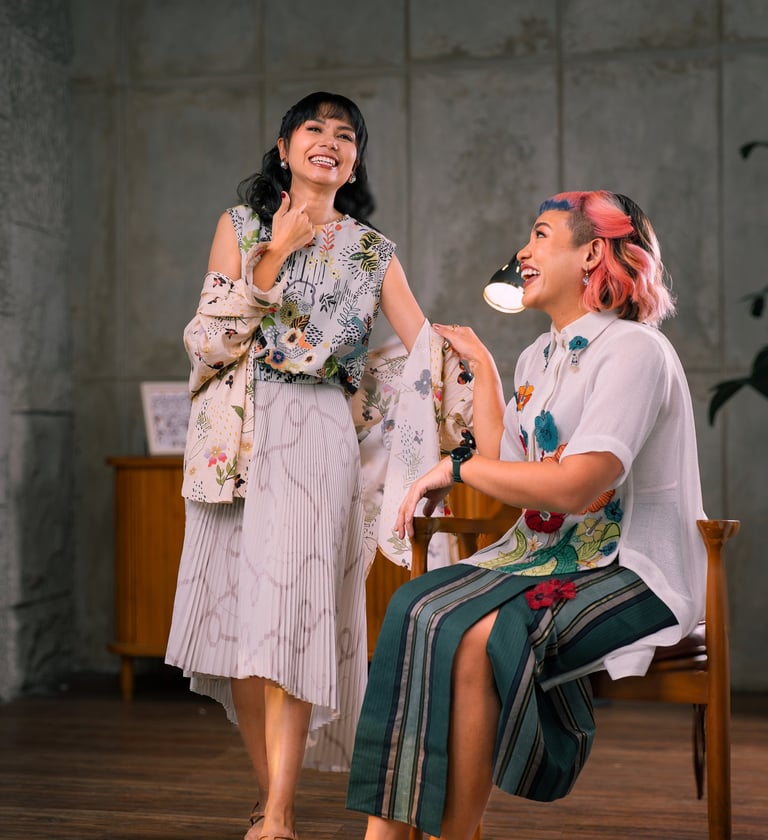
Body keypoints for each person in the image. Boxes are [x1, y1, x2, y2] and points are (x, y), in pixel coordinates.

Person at [346, 191, 707, 840]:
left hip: (633, 570)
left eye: (541, 235)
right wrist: (485, 372)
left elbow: (573, 488)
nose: (523, 251)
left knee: (477, 635)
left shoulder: (635, 351)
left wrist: (456, 468)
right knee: (414, 606)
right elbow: (509, 466)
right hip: (544, 557)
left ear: (591, 253)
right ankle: (384, 837)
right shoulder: (539, 355)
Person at [165, 91, 425, 840]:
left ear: (355, 161)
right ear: (284, 148)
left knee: (297, 617)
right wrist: (276, 253)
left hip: (316, 436)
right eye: (314, 128)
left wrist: (473, 395)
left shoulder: (373, 252)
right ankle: (269, 796)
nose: (329, 141)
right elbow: (207, 344)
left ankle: (279, 811)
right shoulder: (241, 226)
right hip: (235, 439)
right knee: (240, 624)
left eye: (346, 135)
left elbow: (424, 352)